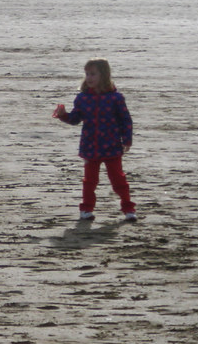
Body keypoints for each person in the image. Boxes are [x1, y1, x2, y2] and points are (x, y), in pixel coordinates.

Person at [53, 58, 136, 222]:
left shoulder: (116, 98)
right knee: (89, 181)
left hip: (112, 146)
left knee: (118, 180)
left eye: (93, 74)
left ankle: (128, 209)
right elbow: (75, 119)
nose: (89, 78)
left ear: (104, 75)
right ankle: (86, 209)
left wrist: (127, 139)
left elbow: (125, 120)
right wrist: (63, 115)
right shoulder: (82, 98)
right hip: (90, 147)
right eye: (87, 74)